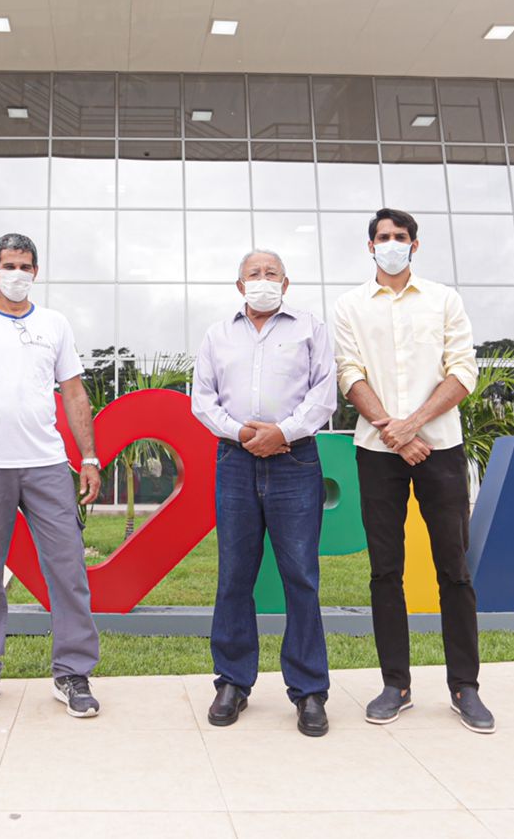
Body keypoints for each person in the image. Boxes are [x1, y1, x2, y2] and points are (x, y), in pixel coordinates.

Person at [331, 207, 494, 734]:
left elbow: (462, 370)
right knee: (385, 570)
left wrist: (414, 425)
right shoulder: (350, 305)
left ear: (414, 245)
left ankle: (464, 687)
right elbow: (349, 373)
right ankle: (394, 685)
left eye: (400, 236)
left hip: (440, 448)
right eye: (383, 237)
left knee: (455, 569)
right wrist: (391, 431)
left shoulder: (445, 299)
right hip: (378, 453)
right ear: (370, 246)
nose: (392, 243)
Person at [0, 233, 105, 718]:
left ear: (36, 271)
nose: (18, 274)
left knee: (68, 569)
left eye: (26, 266)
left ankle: (73, 674)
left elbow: (74, 393)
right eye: (9, 265)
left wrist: (89, 456)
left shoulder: (54, 324)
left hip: (47, 464)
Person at [192, 249, 337, 737]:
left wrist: (284, 432)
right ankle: (233, 681)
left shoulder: (310, 328)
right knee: (234, 574)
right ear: (239, 286)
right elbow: (203, 399)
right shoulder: (217, 334)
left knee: (301, 575)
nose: (262, 280)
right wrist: (242, 433)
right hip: (234, 461)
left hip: (295, 461)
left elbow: (324, 393)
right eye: (253, 274)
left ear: (286, 283)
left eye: (271, 273)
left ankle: (310, 689)